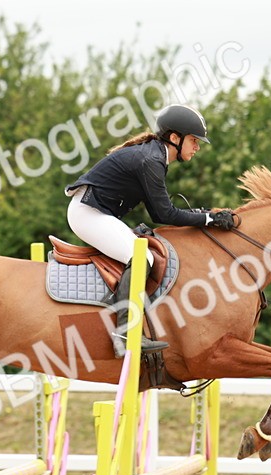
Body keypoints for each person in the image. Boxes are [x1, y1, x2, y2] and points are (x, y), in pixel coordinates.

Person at [65, 103, 236, 356]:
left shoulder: (155, 155)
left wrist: (203, 215)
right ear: (174, 138)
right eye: (193, 140)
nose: (197, 147)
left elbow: (161, 210)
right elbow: (163, 214)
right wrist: (209, 219)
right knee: (141, 256)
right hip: (88, 214)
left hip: (97, 212)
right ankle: (124, 334)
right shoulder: (152, 160)